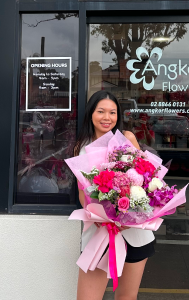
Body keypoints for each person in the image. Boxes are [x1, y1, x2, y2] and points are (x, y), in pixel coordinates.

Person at [73, 91, 155, 300]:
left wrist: (130, 214)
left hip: (135, 234)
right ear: (91, 113)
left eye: (112, 112)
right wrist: (99, 217)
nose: (106, 117)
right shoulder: (81, 147)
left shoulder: (126, 138)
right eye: (101, 111)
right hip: (100, 234)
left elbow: (145, 178)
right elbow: (83, 194)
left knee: (126, 298)